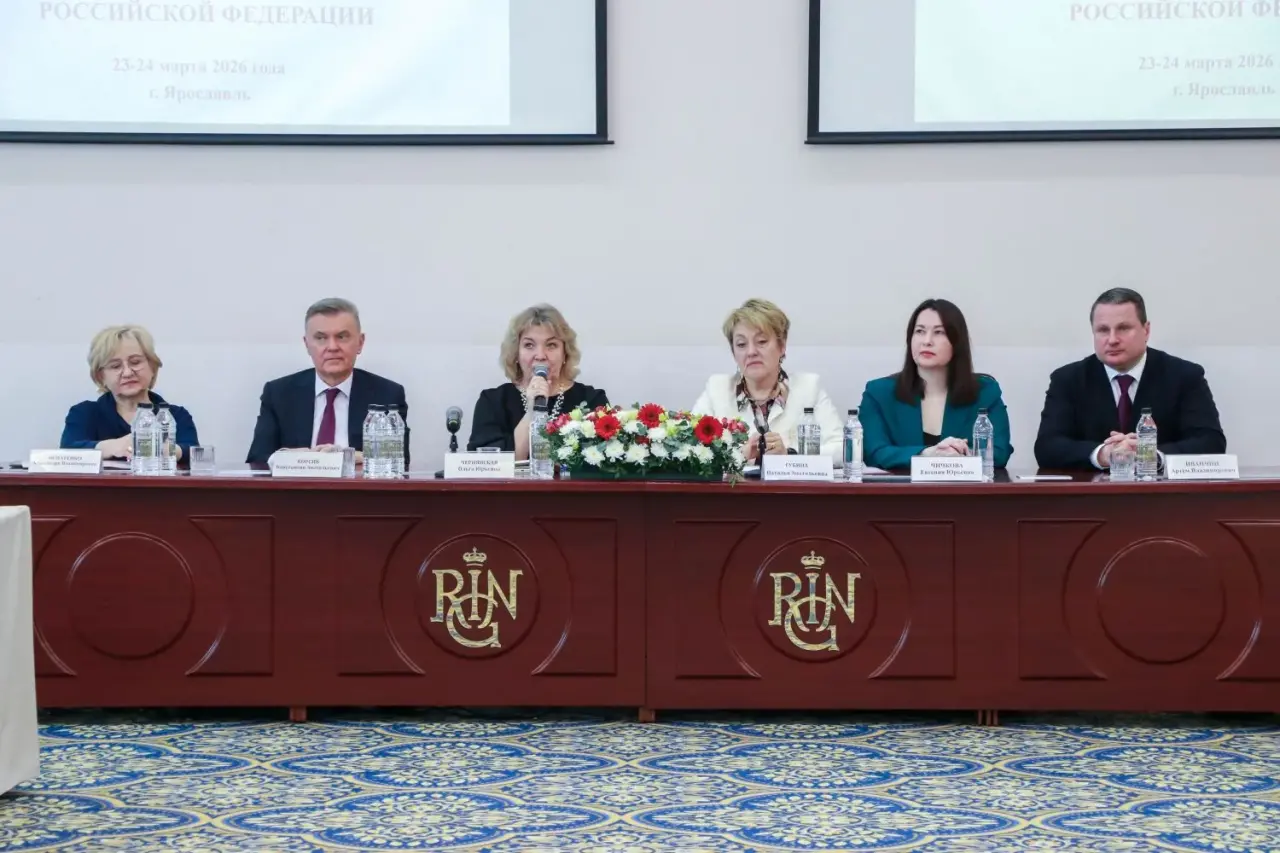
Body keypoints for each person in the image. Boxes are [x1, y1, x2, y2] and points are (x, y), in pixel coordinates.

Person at [1034, 287, 1226, 470]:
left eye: (1123, 328)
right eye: (1103, 330)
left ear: (1146, 330)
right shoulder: (1067, 380)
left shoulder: (1185, 376)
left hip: (1162, 490)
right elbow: (1047, 446)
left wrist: (1149, 455)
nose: (1112, 339)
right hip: (1092, 491)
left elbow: (1211, 442)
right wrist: (1102, 454)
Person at [246, 298, 409, 467]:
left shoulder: (387, 394)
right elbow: (258, 458)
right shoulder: (279, 393)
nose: (332, 347)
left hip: (358, 483)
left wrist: (350, 456)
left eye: (342, 337)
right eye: (321, 338)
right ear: (307, 344)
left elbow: (399, 460)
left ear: (360, 343)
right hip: (297, 484)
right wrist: (297, 457)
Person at [860, 299, 1012, 470]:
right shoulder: (879, 393)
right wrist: (928, 454)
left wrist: (961, 455)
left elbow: (999, 452)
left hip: (963, 486)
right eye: (920, 331)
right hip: (902, 487)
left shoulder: (985, 392)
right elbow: (873, 452)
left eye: (939, 332)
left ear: (957, 341)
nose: (927, 341)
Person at [693, 298, 842, 462]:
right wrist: (738, 455)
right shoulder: (717, 389)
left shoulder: (808, 387)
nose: (751, 352)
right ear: (733, 352)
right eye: (741, 344)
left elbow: (843, 448)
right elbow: (689, 450)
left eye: (762, 341)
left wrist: (790, 455)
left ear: (782, 346)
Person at [468, 304, 609, 458]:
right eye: (529, 345)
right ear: (516, 353)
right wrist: (531, 411)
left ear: (565, 353)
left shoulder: (592, 400)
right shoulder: (492, 402)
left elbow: (605, 461)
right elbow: (488, 463)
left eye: (551, 345)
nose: (540, 355)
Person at [60, 324, 199, 461]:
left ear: (152, 367)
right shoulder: (84, 413)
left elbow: (193, 453)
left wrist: (166, 449)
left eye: (135, 362)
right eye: (115, 366)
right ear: (101, 376)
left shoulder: (176, 416)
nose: (127, 373)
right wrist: (112, 446)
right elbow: (67, 453)